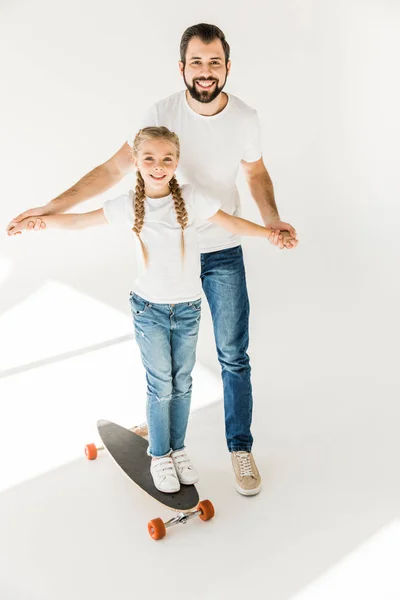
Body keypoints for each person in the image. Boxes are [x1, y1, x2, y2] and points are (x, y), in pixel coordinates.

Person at [6, 23, 299, 496]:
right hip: (170, 252)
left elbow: (256, 172)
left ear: (227, 67)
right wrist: (52, 209)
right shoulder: (160, 114)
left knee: (231, 354)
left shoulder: (246, 118)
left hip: (221, 248)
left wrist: (273, 221)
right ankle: (161, 434)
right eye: (197, 62)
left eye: (215, 62)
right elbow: (113, 169)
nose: (206, 72)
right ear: (182, 67)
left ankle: (239, 448)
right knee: (166, 358)